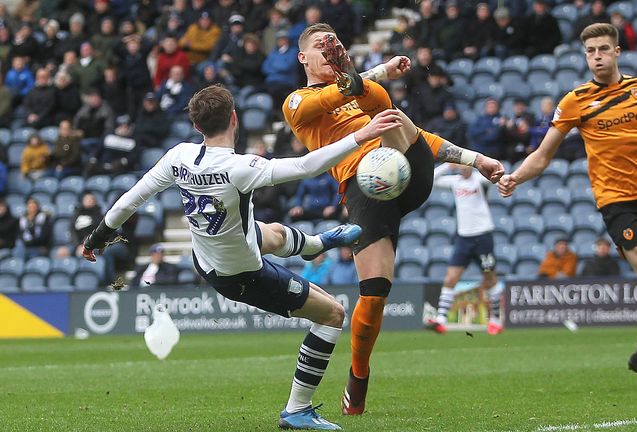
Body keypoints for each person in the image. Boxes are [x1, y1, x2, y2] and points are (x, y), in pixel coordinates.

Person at [81, 84, 404, 430]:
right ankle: (297, 410)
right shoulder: (241, 167)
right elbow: (307, 166)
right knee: (332, 314)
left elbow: (130, 199)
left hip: (207, 256)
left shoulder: (178, 156)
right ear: (235, 118)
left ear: (196, 127)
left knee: (273, 232)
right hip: (242, 276)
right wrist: (362, 134)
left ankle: (317, 243)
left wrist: (97, 238)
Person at [282, 24, 504, 416]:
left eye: (336, 45)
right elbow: (335, 95)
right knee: (375, 293)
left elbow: (416, 134)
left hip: (404, 171)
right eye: (321, 46)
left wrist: (476, 159)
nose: (330, 50)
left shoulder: (361, 96)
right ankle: (358, 375)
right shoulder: (296, 103)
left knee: (396, 118)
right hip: (363, 188)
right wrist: (372, 72)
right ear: (303, 57)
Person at [497, 23, 637, 393]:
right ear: (585, 55)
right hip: (617, 203)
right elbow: (543, 156)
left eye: (603, 49)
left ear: (617, 52)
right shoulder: (575, 100)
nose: (596, 56)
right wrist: (515, 176)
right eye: (590, 51)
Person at [427, 164, 503, 336]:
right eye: (460, 166)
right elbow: (431, 179)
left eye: (466, 165)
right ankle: (441, 319)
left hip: (483, 236)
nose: (463, 169)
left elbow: (496, 177)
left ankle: (496, 320)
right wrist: (447, 165)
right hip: (463, 238)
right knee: (451, 277)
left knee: (489, 278)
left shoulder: (479, 180)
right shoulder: (455, 182)